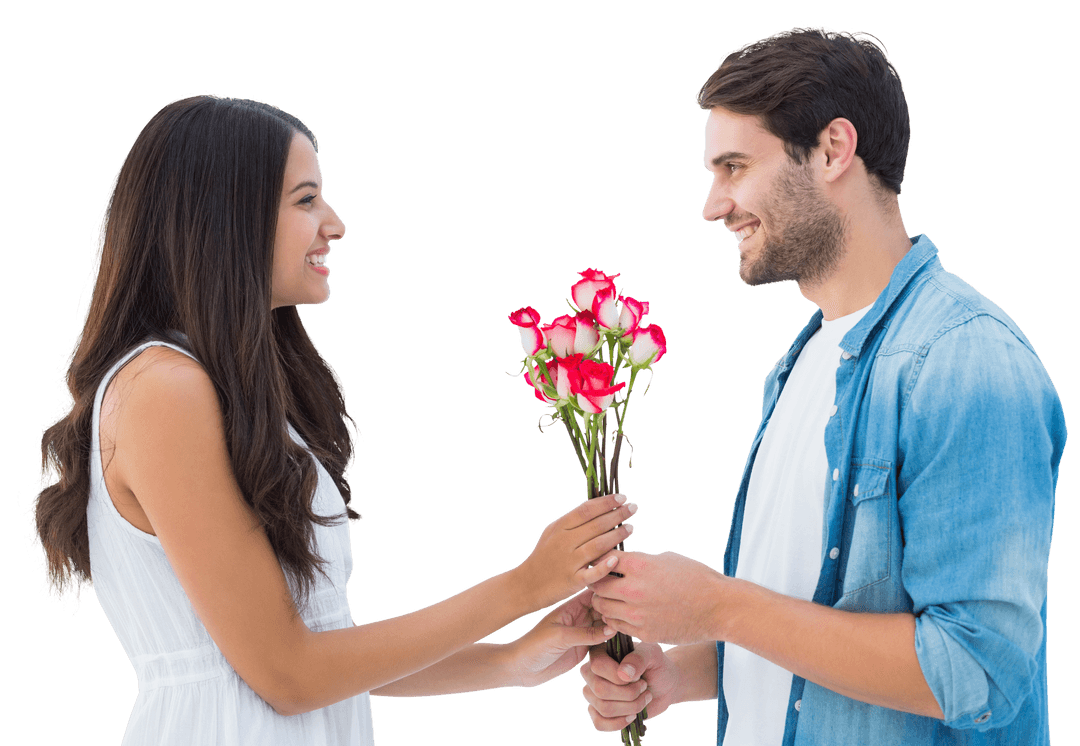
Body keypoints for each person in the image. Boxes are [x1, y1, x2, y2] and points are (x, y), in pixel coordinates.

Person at [28, 94, 635, 746]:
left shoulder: (220, 389)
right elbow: (287, 674)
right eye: (306, 199)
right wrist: (522, 586)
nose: (336, 223)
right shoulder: (160, 390)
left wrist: (511, 661)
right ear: (226, 215)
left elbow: (322, 646)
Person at [580, 27, 1065, 745]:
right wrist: (678, 673)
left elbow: (978, 671)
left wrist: (719, 607)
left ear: (835, 149)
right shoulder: (802, 364)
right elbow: (814, 617)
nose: (714, 205)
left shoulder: (963, 362)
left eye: (735, 167)